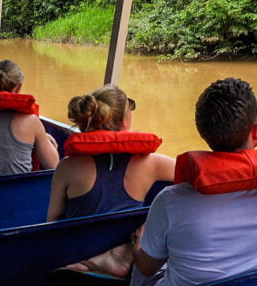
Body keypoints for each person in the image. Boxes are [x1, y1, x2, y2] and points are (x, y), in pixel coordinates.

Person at [58, 78, 257, 285]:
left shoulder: (172, 202)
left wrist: (135, 248)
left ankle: (110, 259)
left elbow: (144, 269)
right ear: (256, 132)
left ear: (203, 132)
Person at [46, 85, 175, 222]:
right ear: (124, 121)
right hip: (130, 243)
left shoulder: (67, 167)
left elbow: (53, 223)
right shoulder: (152, 164)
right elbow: (196, 174)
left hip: (79, 243)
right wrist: (148, 224)